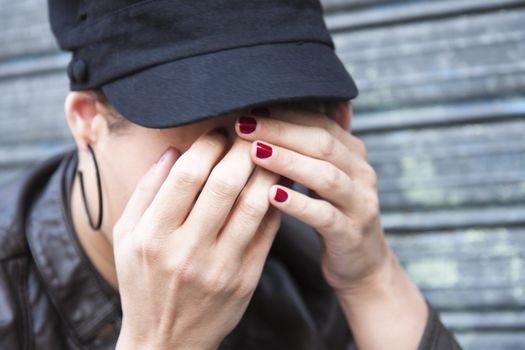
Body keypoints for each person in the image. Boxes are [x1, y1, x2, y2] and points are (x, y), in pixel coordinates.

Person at [0, 0, 461, 349]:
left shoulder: (303, 270)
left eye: (281, 134)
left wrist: (371, 276)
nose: (240, 185)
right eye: (210, 142)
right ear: (87, 120)